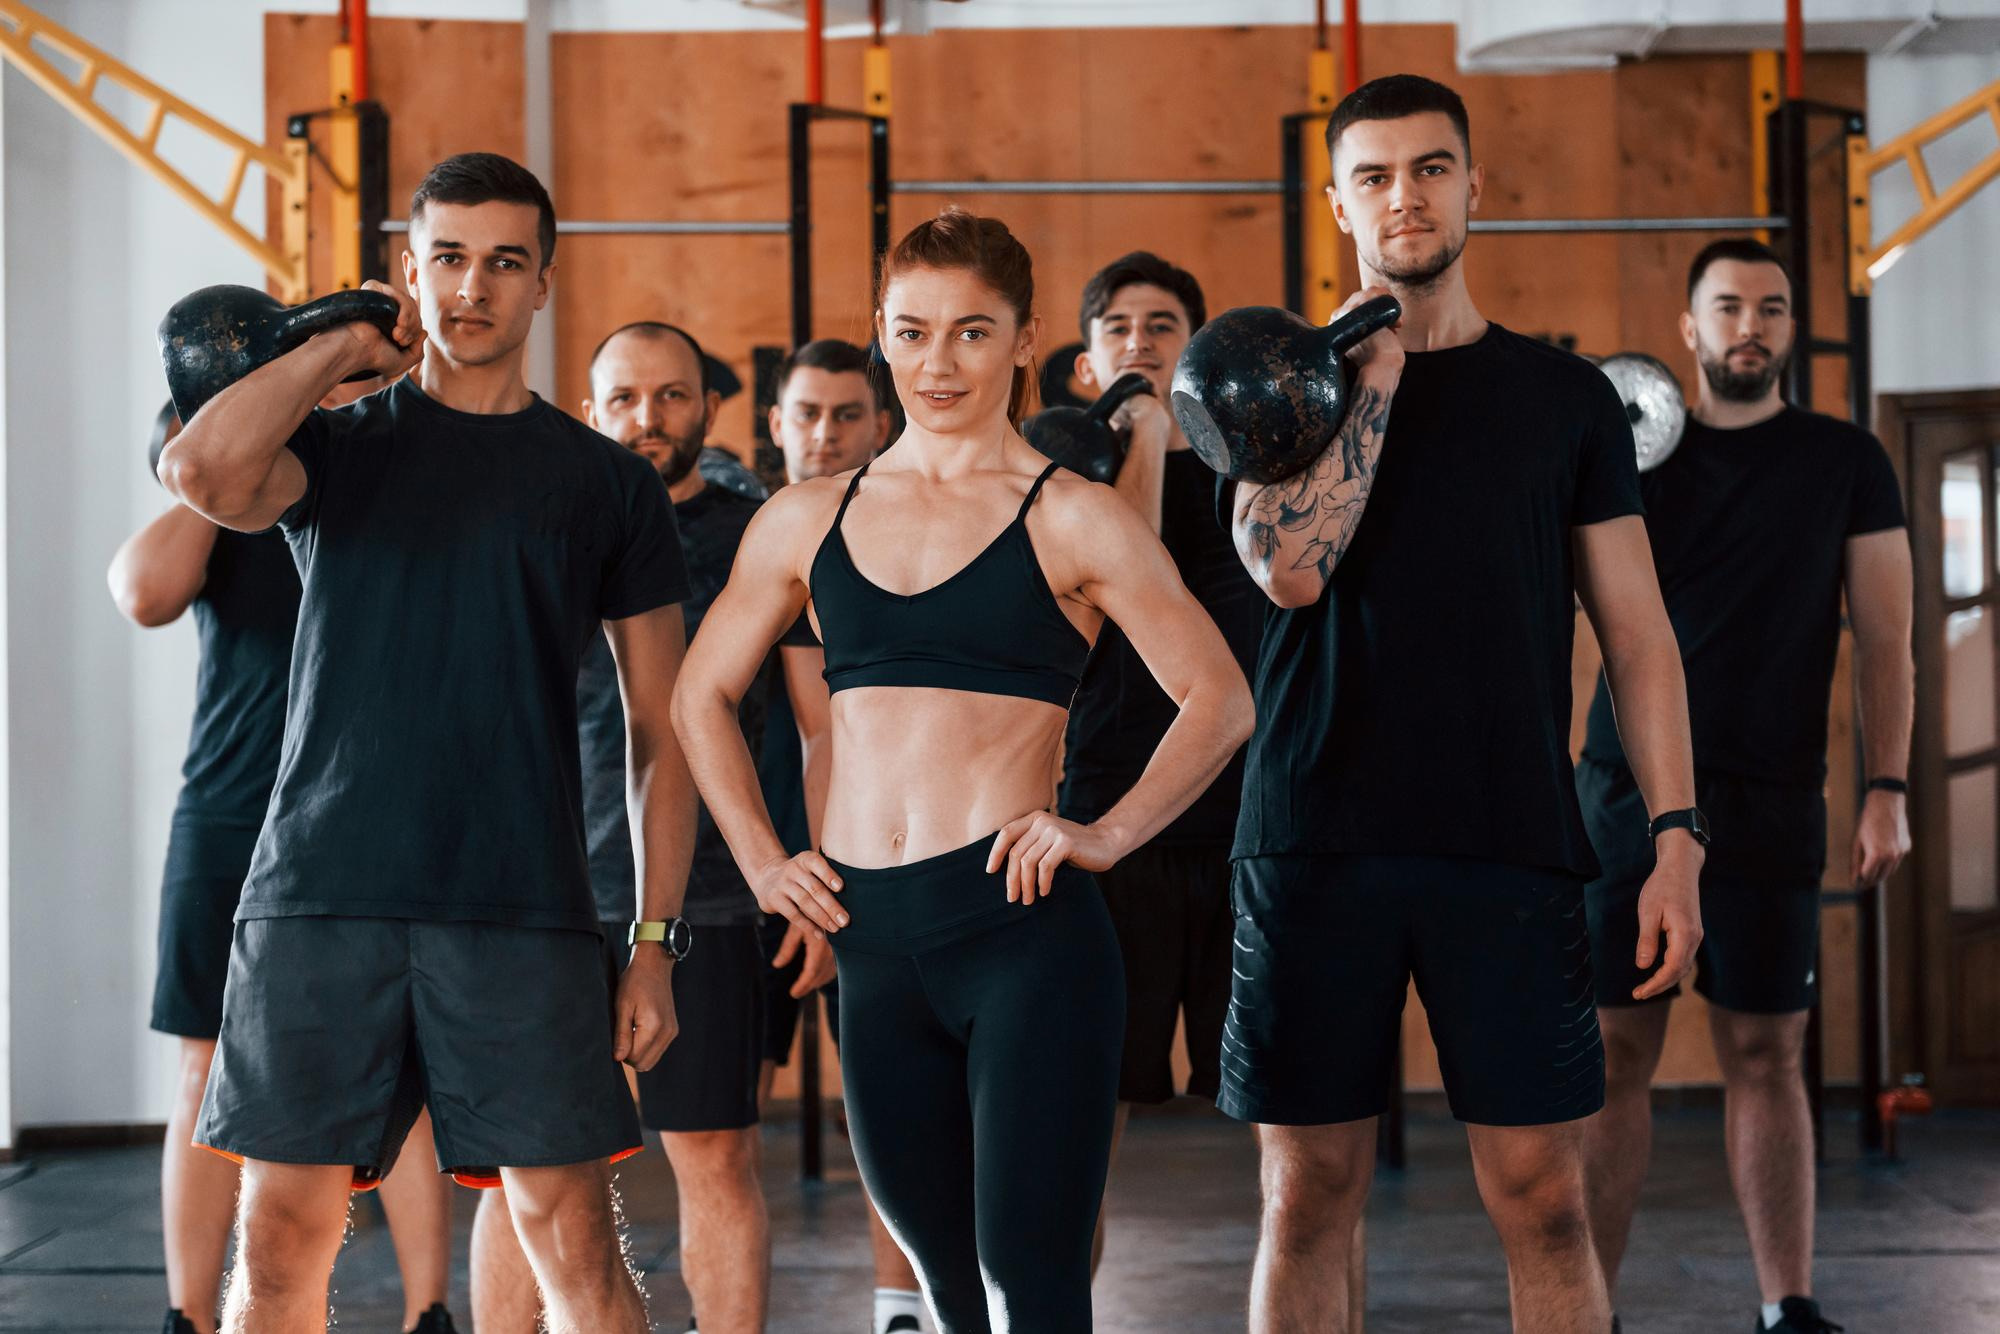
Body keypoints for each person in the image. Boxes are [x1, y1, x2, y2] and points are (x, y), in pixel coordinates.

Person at [672, 209, 1254, 1333]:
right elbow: (698, 695)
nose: (936, 363)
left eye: (971, 332)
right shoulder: (807, 516)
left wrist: (1106, 832)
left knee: (1028, 1281)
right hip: (870, 939)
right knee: (941, 1282)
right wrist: (763, 862)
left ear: (1023, 339)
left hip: (1019, 934)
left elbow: (1219, 698)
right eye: (912, 331)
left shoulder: (1073, 516)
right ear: (881, 334)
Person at [158, 151, 697, 1334]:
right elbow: (197, 468)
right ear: (409, 270)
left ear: (543, 282)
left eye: (503, 261)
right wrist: (335, 345)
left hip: (519, 904)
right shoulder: (336, 448)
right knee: (281, 1236)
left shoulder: (607, 484)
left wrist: (654, 939)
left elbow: (661, 730)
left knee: (572, 1236)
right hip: (319, 893)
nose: (471, 287)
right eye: (447, 257)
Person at [1215, 75, 1704, 1334]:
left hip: (1506, 838)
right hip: (1312, 839)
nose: (1405, 196)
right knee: (1304, 1194)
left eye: (1430, 168)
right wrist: (1367, 381)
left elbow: (1638, 635)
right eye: (1373, 176)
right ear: (1337, 204)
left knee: (1542, 1196)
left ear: (1474, 185)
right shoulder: (1278, 384)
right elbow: (1284, 569)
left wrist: (1675, 834)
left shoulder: (1563, 399)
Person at [1577, 238, 1913, 1334]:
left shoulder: (1844, 460)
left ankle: (1786, 1304)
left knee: (1768, 1052)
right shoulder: (1628, 458)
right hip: (1627, 796)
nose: (1749, 327)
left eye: (1770, 308)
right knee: (1614, 1051)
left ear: (1790, 328)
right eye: (1727, 307)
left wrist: (1887, 784)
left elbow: (1887, 639)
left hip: (1770, 797)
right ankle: (1588, 1310)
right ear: (1689, 327)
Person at [112, 404, 459, 1334]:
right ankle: (188, 1317)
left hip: (363, 820)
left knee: (402, 1070)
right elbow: (142, 594)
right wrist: (214, 463)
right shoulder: (210, 523)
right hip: (229, 818)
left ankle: (430, 1313)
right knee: (204, 1066)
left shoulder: (347, 489)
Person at [470, 319, 772, 1334]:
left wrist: (795, 874)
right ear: (589, 410)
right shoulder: (538, 523)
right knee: (526, 1162)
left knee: (715, 1150)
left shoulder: (756, 535)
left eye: (672, 395)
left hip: (710, 892)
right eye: (626, 398)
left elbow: (814, 721)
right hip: (544, 892)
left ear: (709, 407)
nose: (650, 416)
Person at [1055, 254, 1262, 1269]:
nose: (1139, 340)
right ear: (1085, 364)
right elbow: (1127, 587)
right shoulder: (1058, 486)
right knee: (1085, 1114)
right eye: (1118, 328)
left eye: (1162, 325)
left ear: (1199, 351)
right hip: (1112, 821)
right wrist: (1136, 433)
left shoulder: (1251, 474)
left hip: (1242, 827)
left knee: (1295, 1121)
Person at [756, 338, 924, 1334]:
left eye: (846, 415)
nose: (824, 434)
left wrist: (823, 891)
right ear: (776, 424)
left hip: (849, 870)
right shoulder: (766, 532)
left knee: (887, 1110)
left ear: (879, 424)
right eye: (807, 414)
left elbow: (828, 737)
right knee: (722, 1127)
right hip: (739, 867)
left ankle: (901, 1307)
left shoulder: (890, 535)